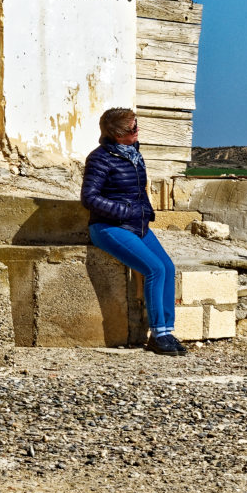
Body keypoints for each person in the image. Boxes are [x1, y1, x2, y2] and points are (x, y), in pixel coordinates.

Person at [82, 107, 186, 356]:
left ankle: (167, 330)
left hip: (138, 225)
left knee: (168, 267)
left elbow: (139, 191)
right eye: (133, 128)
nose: (138, 130)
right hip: (109, 227)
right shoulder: (100, 158)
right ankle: (158, 335)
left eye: (136, 124)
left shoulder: (134, 153)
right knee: (154, 269)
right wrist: (124, 211)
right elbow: (89, 198)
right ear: (118, 135)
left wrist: (146, 212)